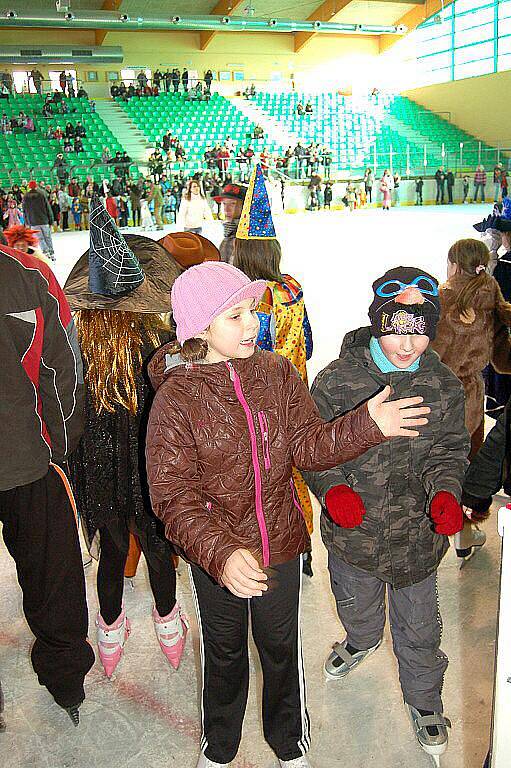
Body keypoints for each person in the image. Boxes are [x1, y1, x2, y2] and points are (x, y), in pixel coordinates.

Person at [145, 256, 430, 768]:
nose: (253, 323)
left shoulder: (276, 373)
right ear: (200, 328)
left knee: (281, 650)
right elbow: (171, 494)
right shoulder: (177, 397)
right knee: (225, 653)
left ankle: (289, 744)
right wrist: (221, 554)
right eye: (234, 316)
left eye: (252, 310)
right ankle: (220, 747)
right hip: (217, 557)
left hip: (278, 543)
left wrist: (367, 423)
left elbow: (309, 447)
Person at [304, 267, 469, 767]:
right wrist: (331, 491)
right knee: (357, 605)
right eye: (396, 328)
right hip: (354, 538)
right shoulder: (338, 381)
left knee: (420, 629)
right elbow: (313, 450)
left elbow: (449, 448)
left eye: (419, 331)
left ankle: (425, 700)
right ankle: (360, 638)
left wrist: (445, 492)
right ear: (378, 323)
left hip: (417, 540)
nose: (407, 343)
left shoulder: (442, 385)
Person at [65, 200, 188, 679]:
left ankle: (111, 627)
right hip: (147, 468)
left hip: (95, 469)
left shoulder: (74, 345)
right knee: (158, 547)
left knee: (113, 551)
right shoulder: (155, 342)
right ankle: (167, 622)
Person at [0, 242, 94, 726]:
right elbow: (66, 371)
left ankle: (65, 679)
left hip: (30, 458)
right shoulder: (30, 274)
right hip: (32, 459)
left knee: (53, 574)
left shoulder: (31, 277)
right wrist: (58, 445)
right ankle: (65, 679)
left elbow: (61, 366)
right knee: (52, 574)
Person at [233, 167, 315, 574]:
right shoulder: (292, 289)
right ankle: (302, 544)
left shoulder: (237, 301)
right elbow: (310, 343)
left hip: (251, 403)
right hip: (294, 398)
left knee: (255, 475)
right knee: (291, 469)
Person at [432, 237, 511, 560]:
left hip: (436, 395)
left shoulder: (441, 298)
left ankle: (430, 534)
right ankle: (464, 536)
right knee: (466, 466)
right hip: (471, 400)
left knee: (432, 464)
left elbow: (430, 354)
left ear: (453, 264)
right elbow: (503, 363)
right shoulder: (492, 299)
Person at [213, 182, 247, 264]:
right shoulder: (230, 232)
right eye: (224, 204)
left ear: (244, 206)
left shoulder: (245, 236)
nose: (226, 209)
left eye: (232, 204)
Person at [22, 180, 55, 259]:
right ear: (36, 186)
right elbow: (48, 208)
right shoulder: (41, 195)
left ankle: (46, 252)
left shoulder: (26, 197)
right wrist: (51, 220)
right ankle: (51, 252)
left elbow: (25, 211)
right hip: (44, 220)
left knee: (40, 238)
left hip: (33, 222)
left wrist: (27, 222)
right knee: (48, 237)